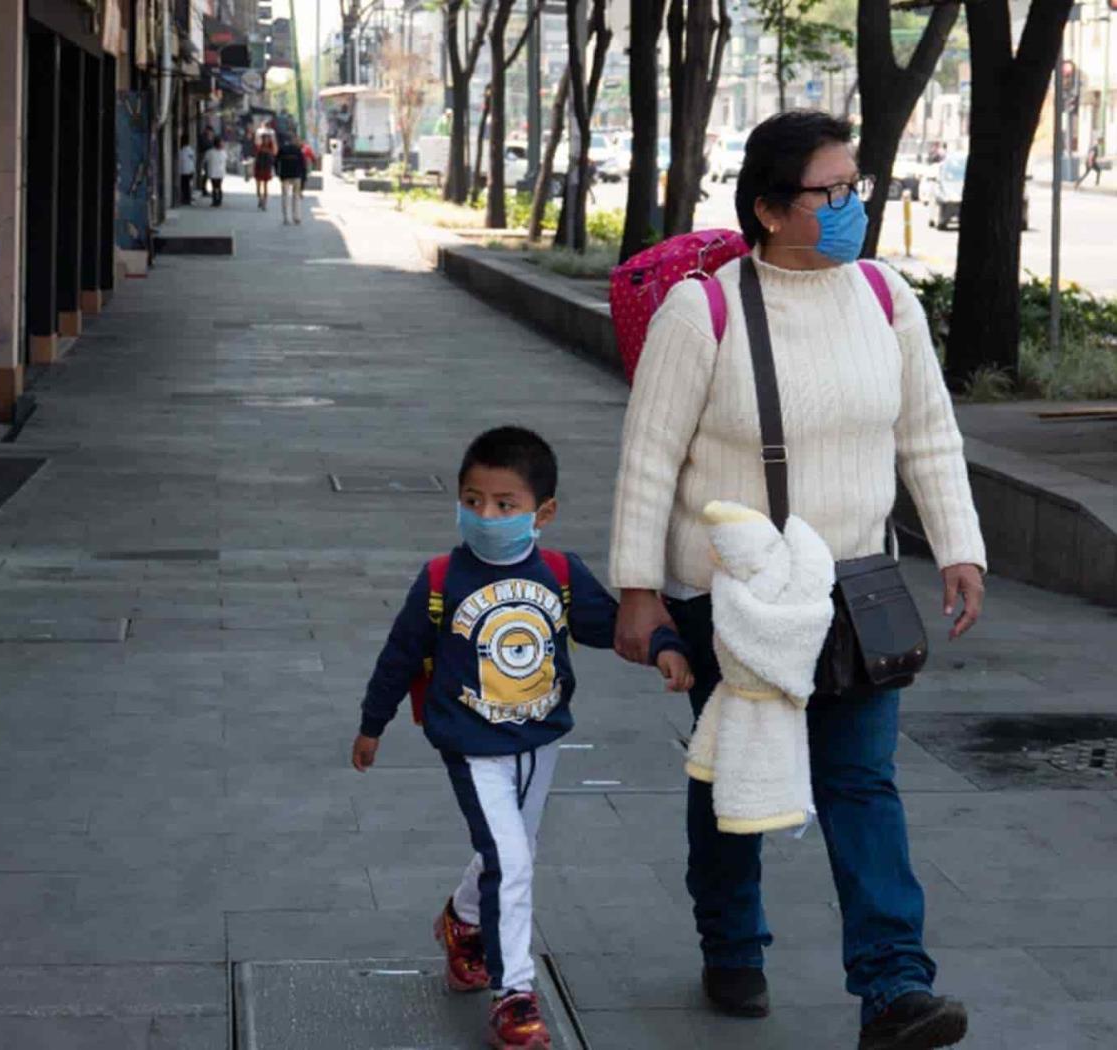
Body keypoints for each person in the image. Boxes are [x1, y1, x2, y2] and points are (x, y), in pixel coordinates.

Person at [610, 111, 986, 1050]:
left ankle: (895, 986)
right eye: (833, 191)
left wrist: (959, 547)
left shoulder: (886, 298)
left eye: (857, 185)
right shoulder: (706, 312)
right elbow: (649, 460)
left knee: (861, 784)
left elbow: (928, 435)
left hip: (855, 594)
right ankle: (731, 943)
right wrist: (638, 591)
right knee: (734, 776)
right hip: (732, 601)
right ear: (773, 209)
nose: (854, 204)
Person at [352, 426, 694, 1050]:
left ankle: (461, 922)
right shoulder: (438, 581)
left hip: (540, 742)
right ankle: (515, 994)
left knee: (512, 853)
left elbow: (613, 624)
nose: (485, 515)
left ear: (543, 513)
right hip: (470, 745)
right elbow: (398, 658)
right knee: (511, 860)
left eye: (505, 505)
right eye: (472, 498)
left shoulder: (560, 573)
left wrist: (665, 648)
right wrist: (372, 725)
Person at [276, 136, 308, 224]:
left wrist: (277, 173)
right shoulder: (298, 151)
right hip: (296, 175)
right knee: (296, 197)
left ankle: (286, 218)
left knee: (285, 196)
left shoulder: (282, 149)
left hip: (285, 175)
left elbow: (276, 161)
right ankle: (296, 217)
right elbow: (303, 165)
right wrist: (304, 178)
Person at [253, 131, 276, 210]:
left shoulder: (270, 148)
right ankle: (260, 199)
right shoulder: (259, 147)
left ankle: (265, 203)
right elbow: (256, 158)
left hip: (266, 168)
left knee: (265, 186)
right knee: (258, 186)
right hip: (259, 168)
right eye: (265, 139)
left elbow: (273, 157)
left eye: (267, 139)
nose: (266, 140)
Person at [204, 136, 227, 208]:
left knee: (214, 187)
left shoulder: (209, 152)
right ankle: (219, 201)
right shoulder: (223, 152)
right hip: (220, 172)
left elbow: (206, 160)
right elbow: (226, 159)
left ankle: (215, 201)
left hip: (213, 172)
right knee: (219, 186)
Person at [177, 136, 196, 206]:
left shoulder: (182, 150)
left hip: (184, 171)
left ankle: (186, 198)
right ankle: (187, 198)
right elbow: (193, 159)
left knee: (185, 185)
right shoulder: (190, 150)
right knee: (187, 185)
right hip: (189, 170)